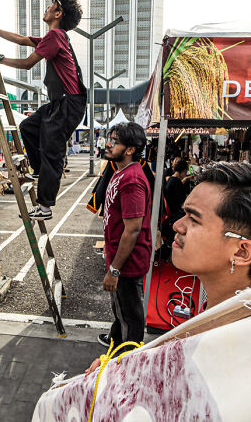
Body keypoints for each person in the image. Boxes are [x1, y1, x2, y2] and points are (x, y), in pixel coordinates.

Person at [86, 162, 251, 374]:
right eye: (185, 214)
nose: (177, 225)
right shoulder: (229, 319)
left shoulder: (242, 353)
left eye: (194, 219)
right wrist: (126, 372)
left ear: (241, 252)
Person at [0, 0, 86, 221]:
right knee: (29, 127)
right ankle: (38, 171)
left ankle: (45, 207)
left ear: (58, 13)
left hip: (69, 103)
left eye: (52, 6)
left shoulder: (56, 36)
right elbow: (21, 39)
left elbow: (28, 64)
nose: (47, 9)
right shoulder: (52, 37)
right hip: (59, 102)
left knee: (52, 149)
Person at [98, 122, 152, 349]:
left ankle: (128, 357)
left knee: (130, 315)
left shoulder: (132, 181)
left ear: (130, 149)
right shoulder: (120, 171)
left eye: (115, 141)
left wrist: (114, 270)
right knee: (121, 308)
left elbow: (133, 229)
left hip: (126, 264)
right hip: (118, 258)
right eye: (109, 138)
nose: (108, 144)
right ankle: (115, 340)